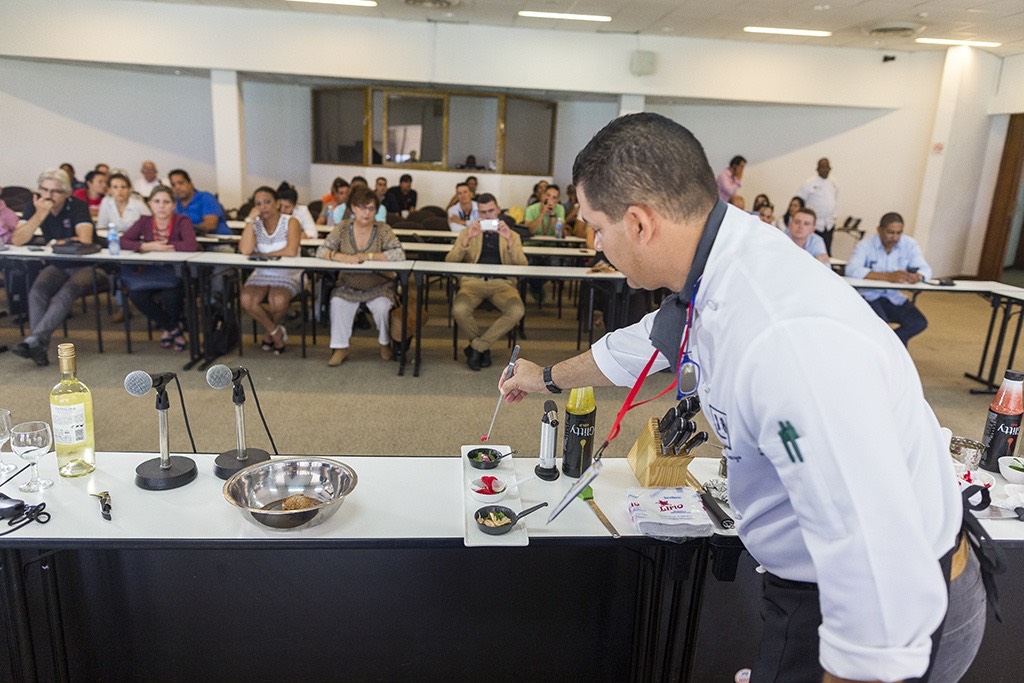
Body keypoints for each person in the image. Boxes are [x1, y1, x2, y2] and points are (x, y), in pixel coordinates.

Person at [499, 113, 985, 682]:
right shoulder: (720, 260)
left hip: (877, 614)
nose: (595, 242)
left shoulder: (785, 340)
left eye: (596, 227)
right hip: (816, 585)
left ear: (638, 223)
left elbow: (876, 566)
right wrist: (548, 377)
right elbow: (649, 343)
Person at [9, 168, 96, 366]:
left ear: (66, 192)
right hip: (58, 264)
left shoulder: (78, 206)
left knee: (65, 293)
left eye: (54, 191)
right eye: (44, 190)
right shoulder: (36, 206)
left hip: (87, 264)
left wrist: (56, 240)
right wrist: (39, 215)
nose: (48, 196)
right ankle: (37, 345)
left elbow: (85, 239)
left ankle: (34, 342)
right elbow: (17, 240)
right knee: (37, 291)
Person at [316, 186, 405, 367]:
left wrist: (370, 256)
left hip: (379, 286)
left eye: (371, 208)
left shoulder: (383, 229)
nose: (366, 212)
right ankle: (340, 348)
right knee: (338, 304)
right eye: (362, 207)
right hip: (348, 285)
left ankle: (384, 344)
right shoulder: (342, 228)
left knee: (383, 307)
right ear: (353, 208)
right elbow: (321, 251)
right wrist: (341, 257)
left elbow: (399, 254)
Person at [445, 193, 527, 371]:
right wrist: (466, 240)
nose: (487, 216)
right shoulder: (468, 232)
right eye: (483, 213)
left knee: (517, 310)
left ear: (498, 210)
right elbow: (450, 261)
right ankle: (483, 348)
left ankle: (477, 347)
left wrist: (510, 241)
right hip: (472, 283)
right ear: (478, 214)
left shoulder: (512, 235)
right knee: (459, 309)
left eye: (491, 211)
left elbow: (523, 266)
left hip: (503, 285)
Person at [119, 185, 198, 351]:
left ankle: (168, 329)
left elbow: (191, 245)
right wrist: (145, 246)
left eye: (166, 202)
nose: (161, 206)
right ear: (150, 204)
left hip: (175, 272)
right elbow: (123, 241)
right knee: (136, 294)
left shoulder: (182, 220)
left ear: (173, 205)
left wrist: (164, 245)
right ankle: (173, 328)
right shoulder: (144, 221)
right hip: (149, 272)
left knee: (172, 294)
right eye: (157, 201)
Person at [846, 211, 932, 346]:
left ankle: (889, 346)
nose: (895, 237)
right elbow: (851, 270)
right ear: (879, 230)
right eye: (890, 232)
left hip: (894, 296)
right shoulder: (865, 245)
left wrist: (918, 276)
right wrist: (887, 276)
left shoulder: (910, 244)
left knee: (918, 322)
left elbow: (925, 269)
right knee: (881, 324)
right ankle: (892, 350)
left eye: (899, 233)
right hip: (869, 296)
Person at [238, 186, 303, 355]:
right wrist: (250, 221)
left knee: (278, 301)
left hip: (287, 271)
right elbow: (245, 250)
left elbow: (291, 251)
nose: (263, 207)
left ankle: (269, 334)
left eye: (267, 202)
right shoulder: (256, 224)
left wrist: (264, 255)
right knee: (246, 300)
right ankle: (275, 333)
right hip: (262, 272)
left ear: (277, 203)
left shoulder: (291, 221)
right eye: (258, 204)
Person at [168, 169, 230, 235]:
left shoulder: (206, 197)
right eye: (173, 185)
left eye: (181, 183)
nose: (177, 187)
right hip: (188, 242)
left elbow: (210, 225)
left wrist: (184, 229)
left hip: (216, 242)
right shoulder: (173, 203)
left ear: (190, 184)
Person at [799, 157, 839, 254]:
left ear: (830, 168)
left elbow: (834, 199)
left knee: (827, 252)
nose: (825, 170)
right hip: (814, 225)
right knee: (812, 250)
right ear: (817, 169)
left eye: (827, 167)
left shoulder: (834, 182)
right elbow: (800, 200)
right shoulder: (809, 183)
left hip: (829, 224)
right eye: (822, 167)